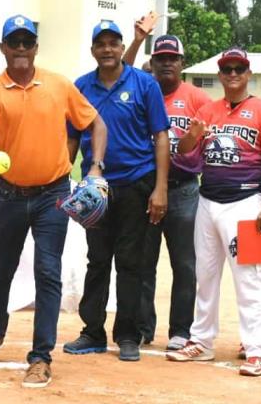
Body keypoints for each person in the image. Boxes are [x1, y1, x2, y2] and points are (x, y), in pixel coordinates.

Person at [0, 14, 107, 388]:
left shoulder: (59, 85)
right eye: (14, 43)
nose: (21, 49)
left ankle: (41, 357)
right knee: (2, 268)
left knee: (48, 271)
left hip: (54, 193)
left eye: (27, 42)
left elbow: (96, 123)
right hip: (11, 192)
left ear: (35, 48)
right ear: (3, 48)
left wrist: (95, 167)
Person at [167, 47, 261, 378]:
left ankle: (256, 349)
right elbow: (186, 152)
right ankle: (202, 341)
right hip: (207, 200)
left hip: (245, 202)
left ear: (248, 74)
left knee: (249, 277)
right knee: (205, 275)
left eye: (239, 69)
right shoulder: (207, 109)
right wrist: (191, 135)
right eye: (227, 69)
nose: (233, 74)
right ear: (220, 75)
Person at [62, 20, 169, 362]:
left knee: (130, 262)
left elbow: (161, 137)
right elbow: (73, 137)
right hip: (97, 188)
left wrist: (161, 188)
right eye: (100, 44)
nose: (107, 49)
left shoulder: (144, 84)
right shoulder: (81, 87)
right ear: (93, 50)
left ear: (122, 48)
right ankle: (92, 331)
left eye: (113, 43)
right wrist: (64, 179)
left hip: (138, 182)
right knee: (97, 260)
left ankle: (127, 334)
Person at [140, 34, 210, 350]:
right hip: (145, 188)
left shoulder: (197, 98)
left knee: (184, 264)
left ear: (182, 63)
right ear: (152, 62)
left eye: (173, 58)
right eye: (161, 58)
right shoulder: (142, 91)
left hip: (183, 189)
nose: (167, 63)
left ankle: (180, 330)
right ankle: (142, 328)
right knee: (142, 261)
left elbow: (211, 141)